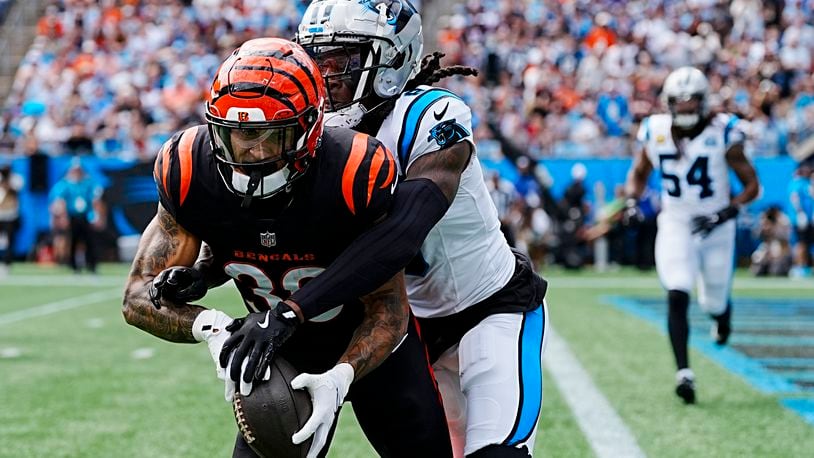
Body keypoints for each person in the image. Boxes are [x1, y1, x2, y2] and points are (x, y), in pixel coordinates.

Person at [121, 38, 452, 458]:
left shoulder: (352, 171)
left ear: (311, 126)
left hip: (371, 351)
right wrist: (213, 326)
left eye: (270, 135)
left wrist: (341, 375)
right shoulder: (190, 168)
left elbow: (387, 308)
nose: (251, 154)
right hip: (276, 348)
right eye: (237, 135)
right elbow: (136, 298)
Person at [293, 1, 549, 456]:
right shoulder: (317, 144)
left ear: (390, 60)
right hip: (403, 333)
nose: (325, 78)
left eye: (340, 63)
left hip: (487, 310)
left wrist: (295, 309)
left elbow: (403, 232)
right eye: (316, 61)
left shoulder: (431, 116)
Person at [624, 66, 759, 404]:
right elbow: (639, 173)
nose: (684, 108)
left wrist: (727, 211)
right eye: (678, 102)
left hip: (716, 224)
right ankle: (684, 372)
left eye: (691, 101)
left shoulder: (723, 132)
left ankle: (722, 315)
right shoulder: (654, 130)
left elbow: (753, 185)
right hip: (677, 221)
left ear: (703, 102)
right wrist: (630, 201)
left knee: (712, 299)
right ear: (668, 103)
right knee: (677, 289)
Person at [49, 157, 104, 273]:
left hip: (86, 215)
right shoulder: (64, 184)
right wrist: (62, 217)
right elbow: (59, 202)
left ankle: (92, 266)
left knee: (89, 241)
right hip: (72, 216)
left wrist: (97, 216)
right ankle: (74, 267)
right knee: (73, 241)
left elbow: (96, 200)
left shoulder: (89, 183)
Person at [0, 164, 20, 275]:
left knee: (9, 241)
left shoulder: (15, 178)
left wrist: (7, 180)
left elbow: (15, 190)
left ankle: (7, 264)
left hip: (10, 215)